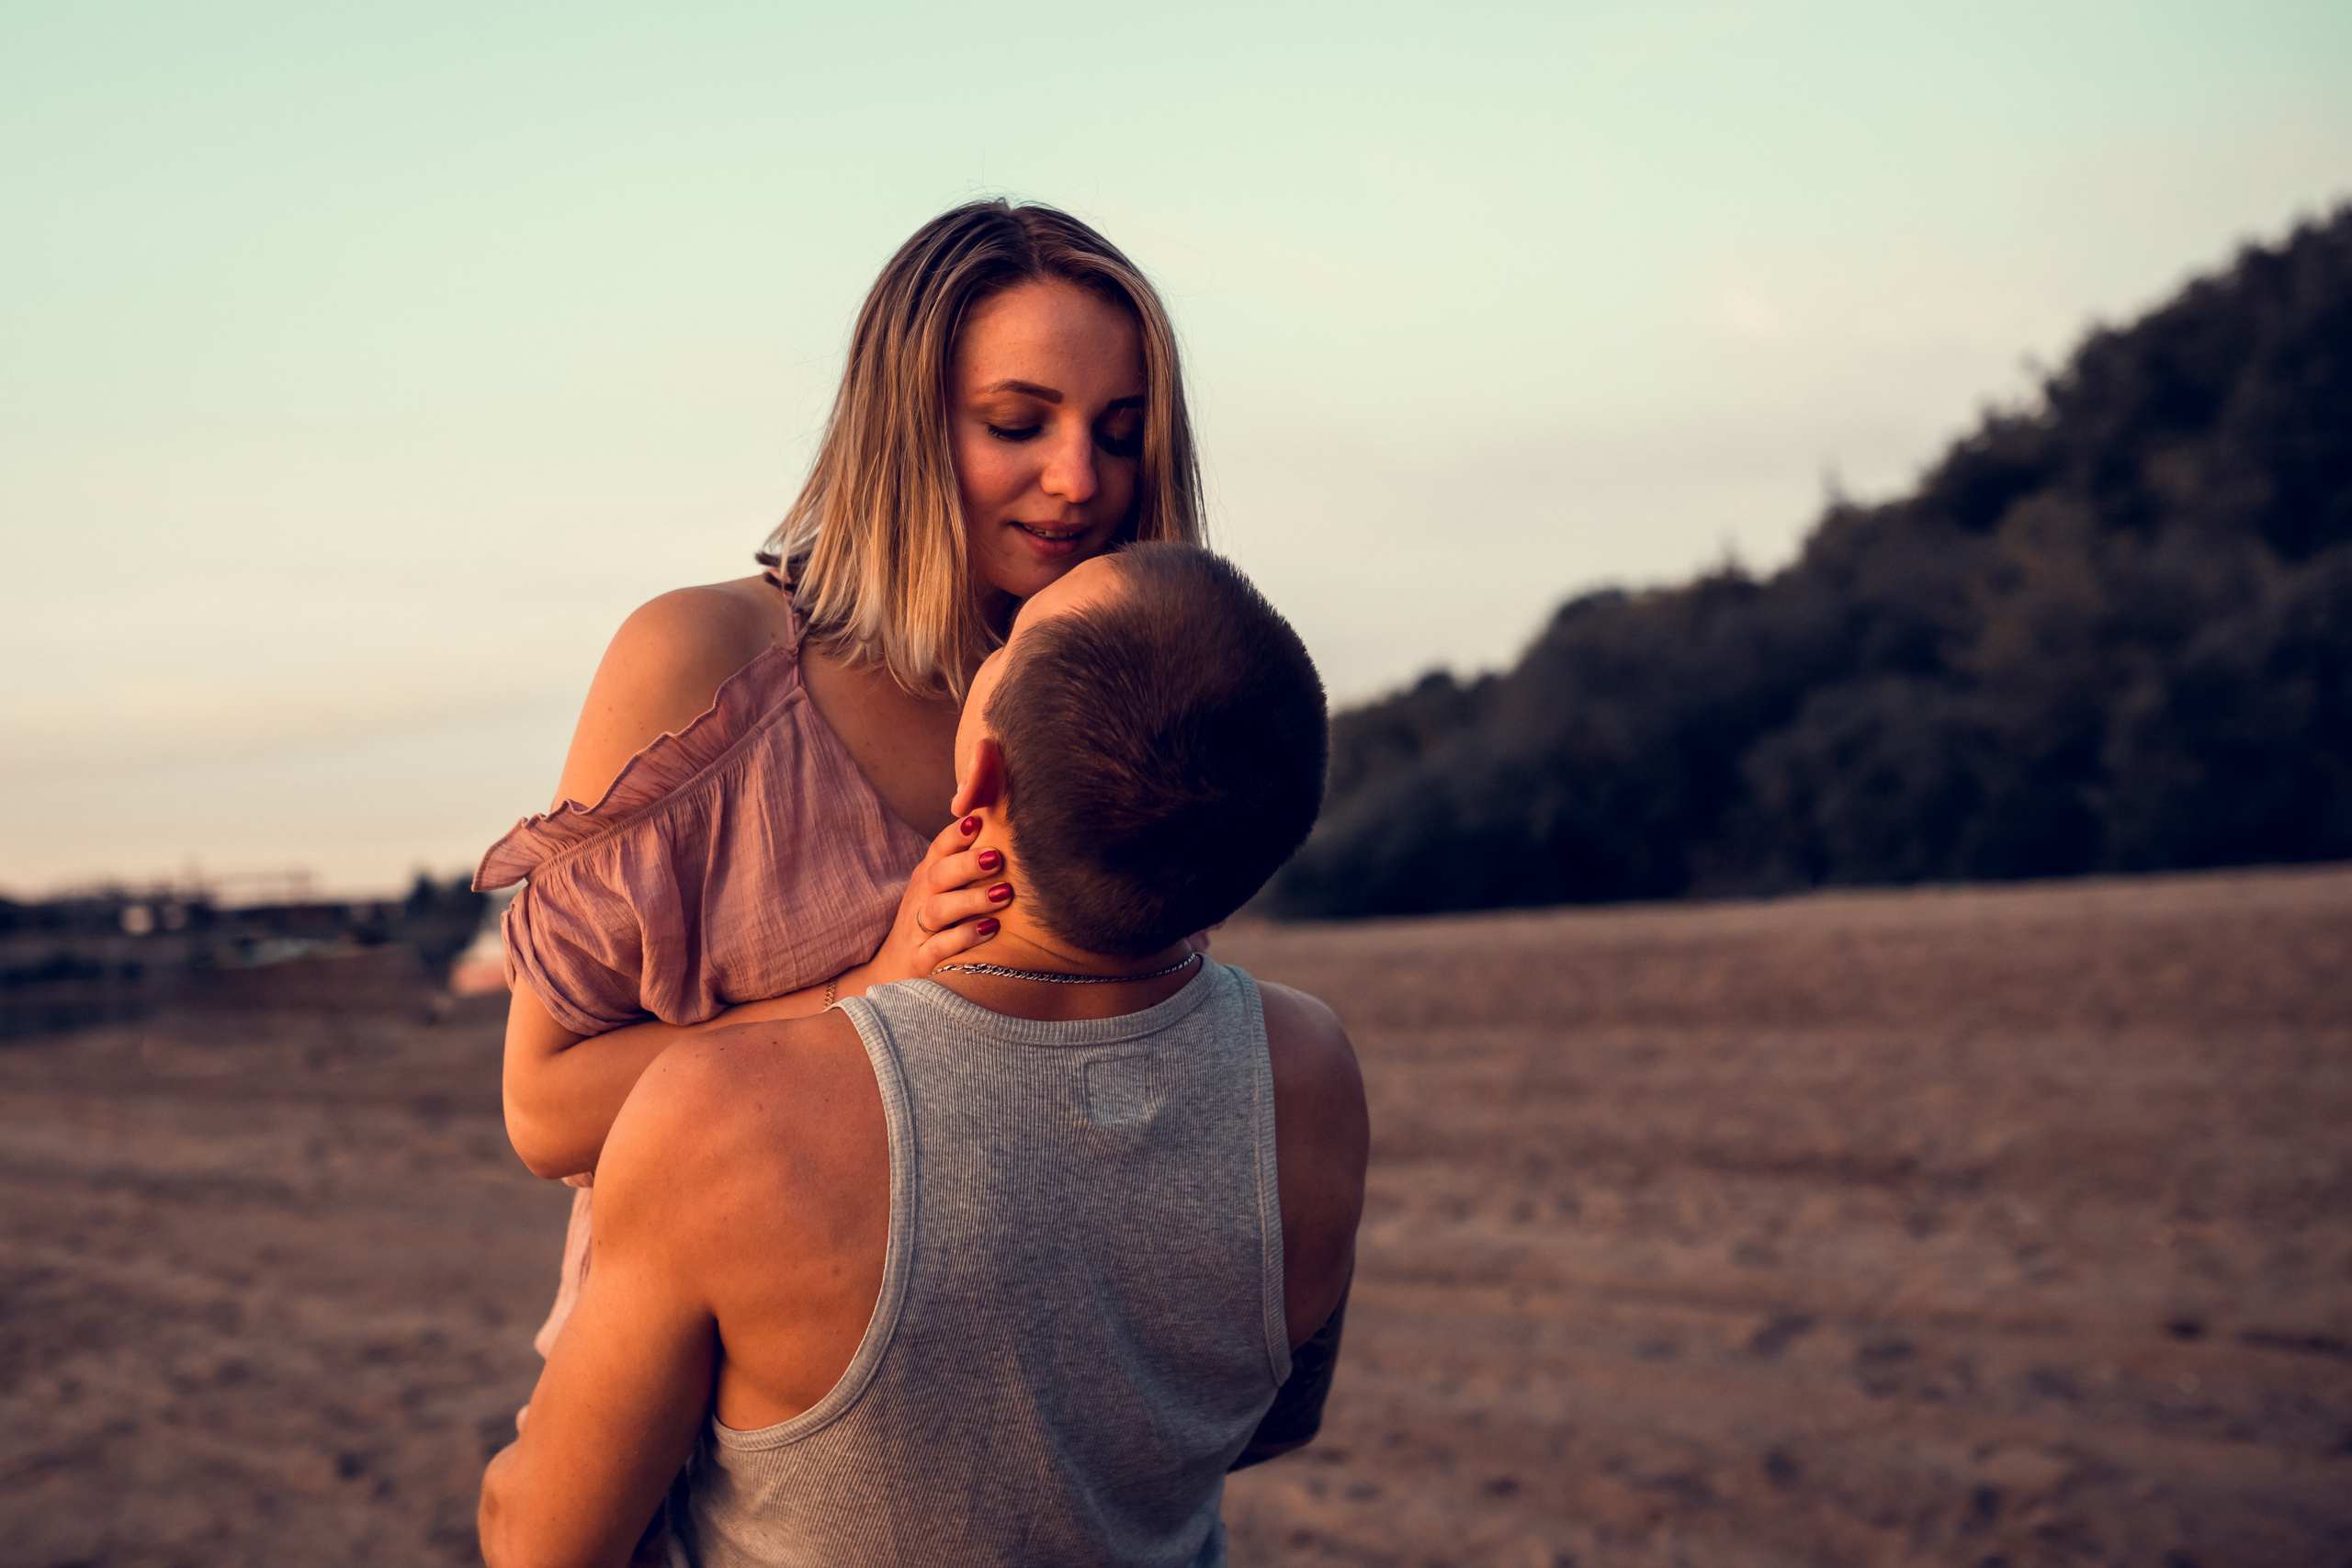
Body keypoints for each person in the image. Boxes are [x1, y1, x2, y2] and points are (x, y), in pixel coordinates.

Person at [478, 545, 1370, 1568]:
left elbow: (537, 1540)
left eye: (1016, 643)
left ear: (982, 768)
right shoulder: (1308, 1074)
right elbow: (1275, 1418)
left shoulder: (731, 1118)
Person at [472, 200, 1205, 1351]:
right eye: (1017, 423)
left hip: (1054, 1393)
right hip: (717, 1429)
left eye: (1119, 433)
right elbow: (545, 1111)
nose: (1080, 479)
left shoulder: (1118, 698)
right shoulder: (704, 666)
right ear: (903, 428)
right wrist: (872, 986)